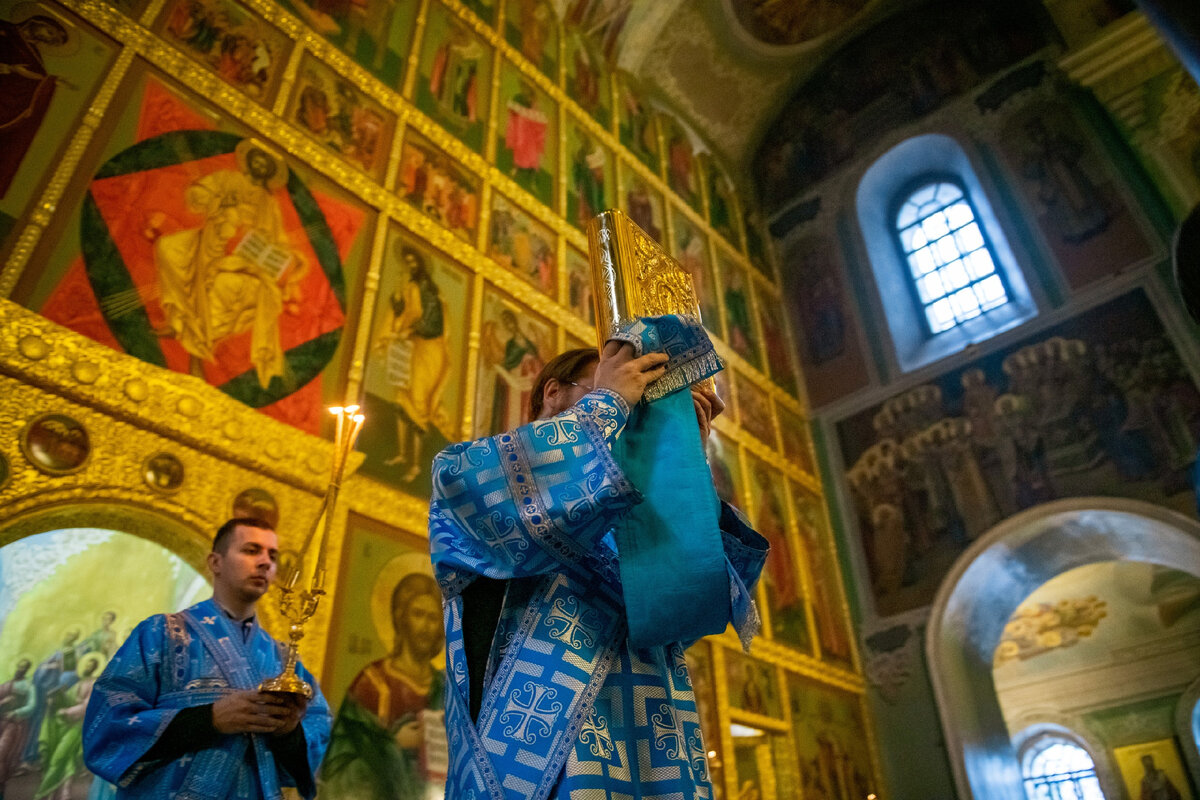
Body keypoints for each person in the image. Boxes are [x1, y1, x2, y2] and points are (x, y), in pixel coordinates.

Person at [429, 338, 769, 798]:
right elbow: (522, 509)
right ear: (553, 394)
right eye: (611, 387)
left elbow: (697, 606)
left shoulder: (635, 520)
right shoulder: (467, 470)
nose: (629, 413)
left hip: (654, 760)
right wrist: (606, 405)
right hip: (535, 766)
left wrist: (685, 463)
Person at [82, 517, 332, 799]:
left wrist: (287, 732)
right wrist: (209, 718)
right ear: (216, 562)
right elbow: (109, 724)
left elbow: (316, 735)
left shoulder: (284, 660)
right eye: (251, 550)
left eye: (272, 555)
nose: (265, 562)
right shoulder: (162, 634)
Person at [320, 572, 446, 799]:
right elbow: (339, 766)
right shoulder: (371, 684)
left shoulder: (445, 689)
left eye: (433, 617)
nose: (426, 626)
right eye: (418, 614)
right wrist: (395, 745)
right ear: (401, 617)